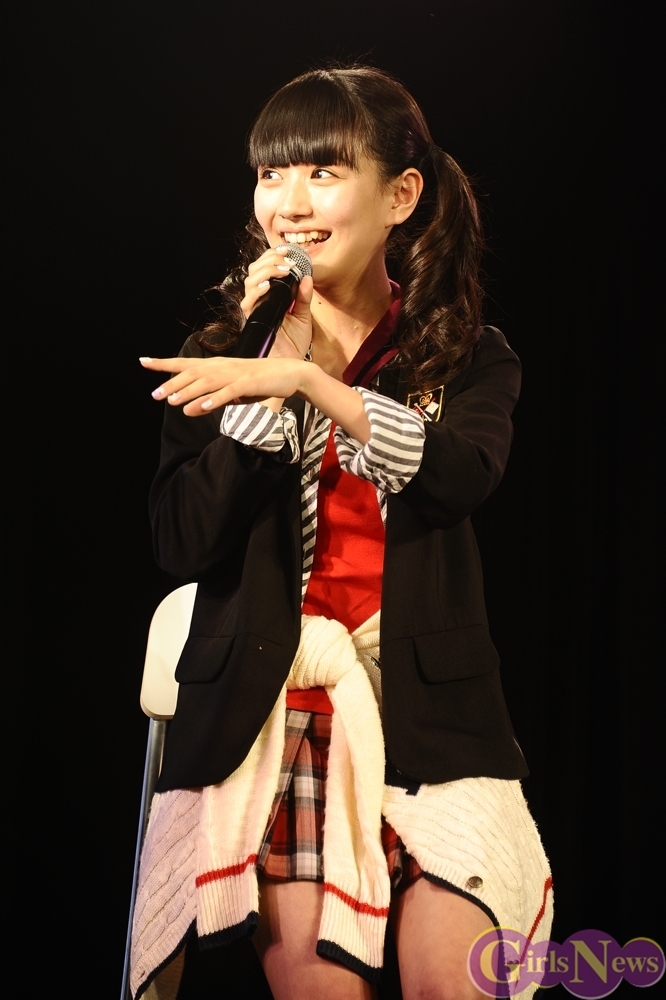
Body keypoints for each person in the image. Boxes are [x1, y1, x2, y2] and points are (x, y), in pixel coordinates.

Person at [131, 67, 552, 1000]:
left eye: (323, 172)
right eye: (271, 174)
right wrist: (270, 367)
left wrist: (316, 387)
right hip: (278, 713)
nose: (290, 203)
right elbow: (183, 541)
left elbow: (457, 478)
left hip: (431, 722)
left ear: (400, 195)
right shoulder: (222, 355)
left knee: (451, 982)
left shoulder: (465, 355)